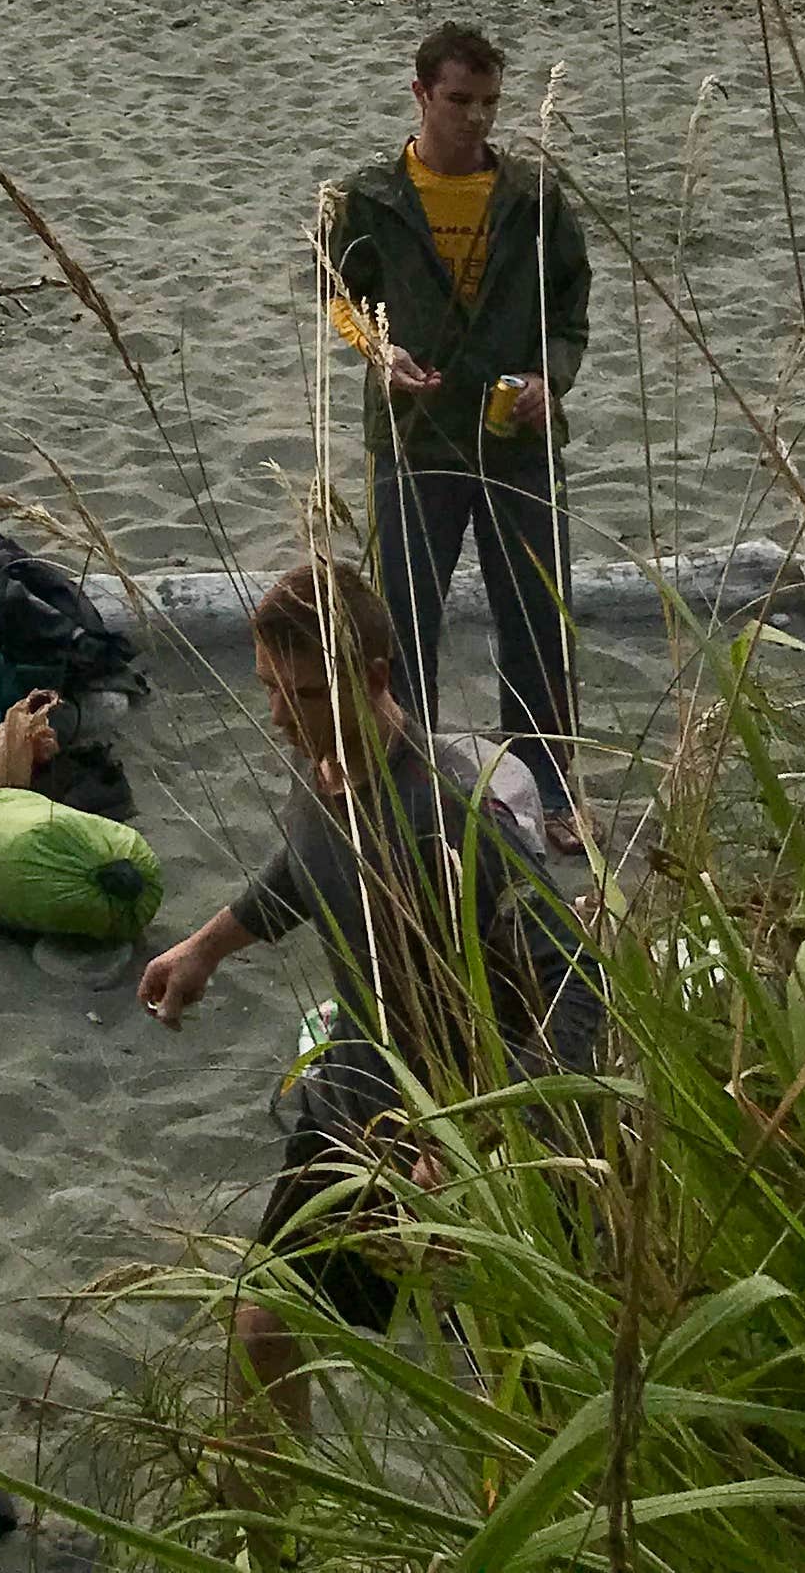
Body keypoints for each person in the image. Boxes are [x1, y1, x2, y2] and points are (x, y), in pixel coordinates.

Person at [136, 554, 598, 1443]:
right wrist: (208, 947)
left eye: (298, 693)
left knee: (525, 1397)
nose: (275, 715)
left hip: (469, 1135)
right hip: (357, 1107)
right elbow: (311, 865)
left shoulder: (454, 814)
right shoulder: (330, 762)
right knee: (266, 1326)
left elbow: (579, 987)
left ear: (375, 679)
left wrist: (488, 1134)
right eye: (268, 687)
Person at [319, 21, 591, 856]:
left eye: (489, 103)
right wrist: (377, 349)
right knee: (403, 618)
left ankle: (548, 787)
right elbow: (337, 295)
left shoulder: (535, 198)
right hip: (414, 437)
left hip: (514, 438)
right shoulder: (368, 199)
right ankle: (402, 783)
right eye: (458, 101)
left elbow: (570, 312)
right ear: (421, 95)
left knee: (534, 613)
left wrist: (551, 376)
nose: (476, 119)